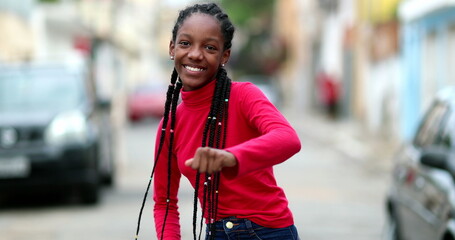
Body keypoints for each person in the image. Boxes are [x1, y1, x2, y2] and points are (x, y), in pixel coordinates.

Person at [134, 3, 301, 240]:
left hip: (268, 232)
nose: (195, 53)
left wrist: (232, 157)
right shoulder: (169, 126)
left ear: (225, 56)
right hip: (215, 233)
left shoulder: (244, 96)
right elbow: (165, 203)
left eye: (209, 47)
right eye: (185, 43)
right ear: (172, 48)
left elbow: (288, 139)